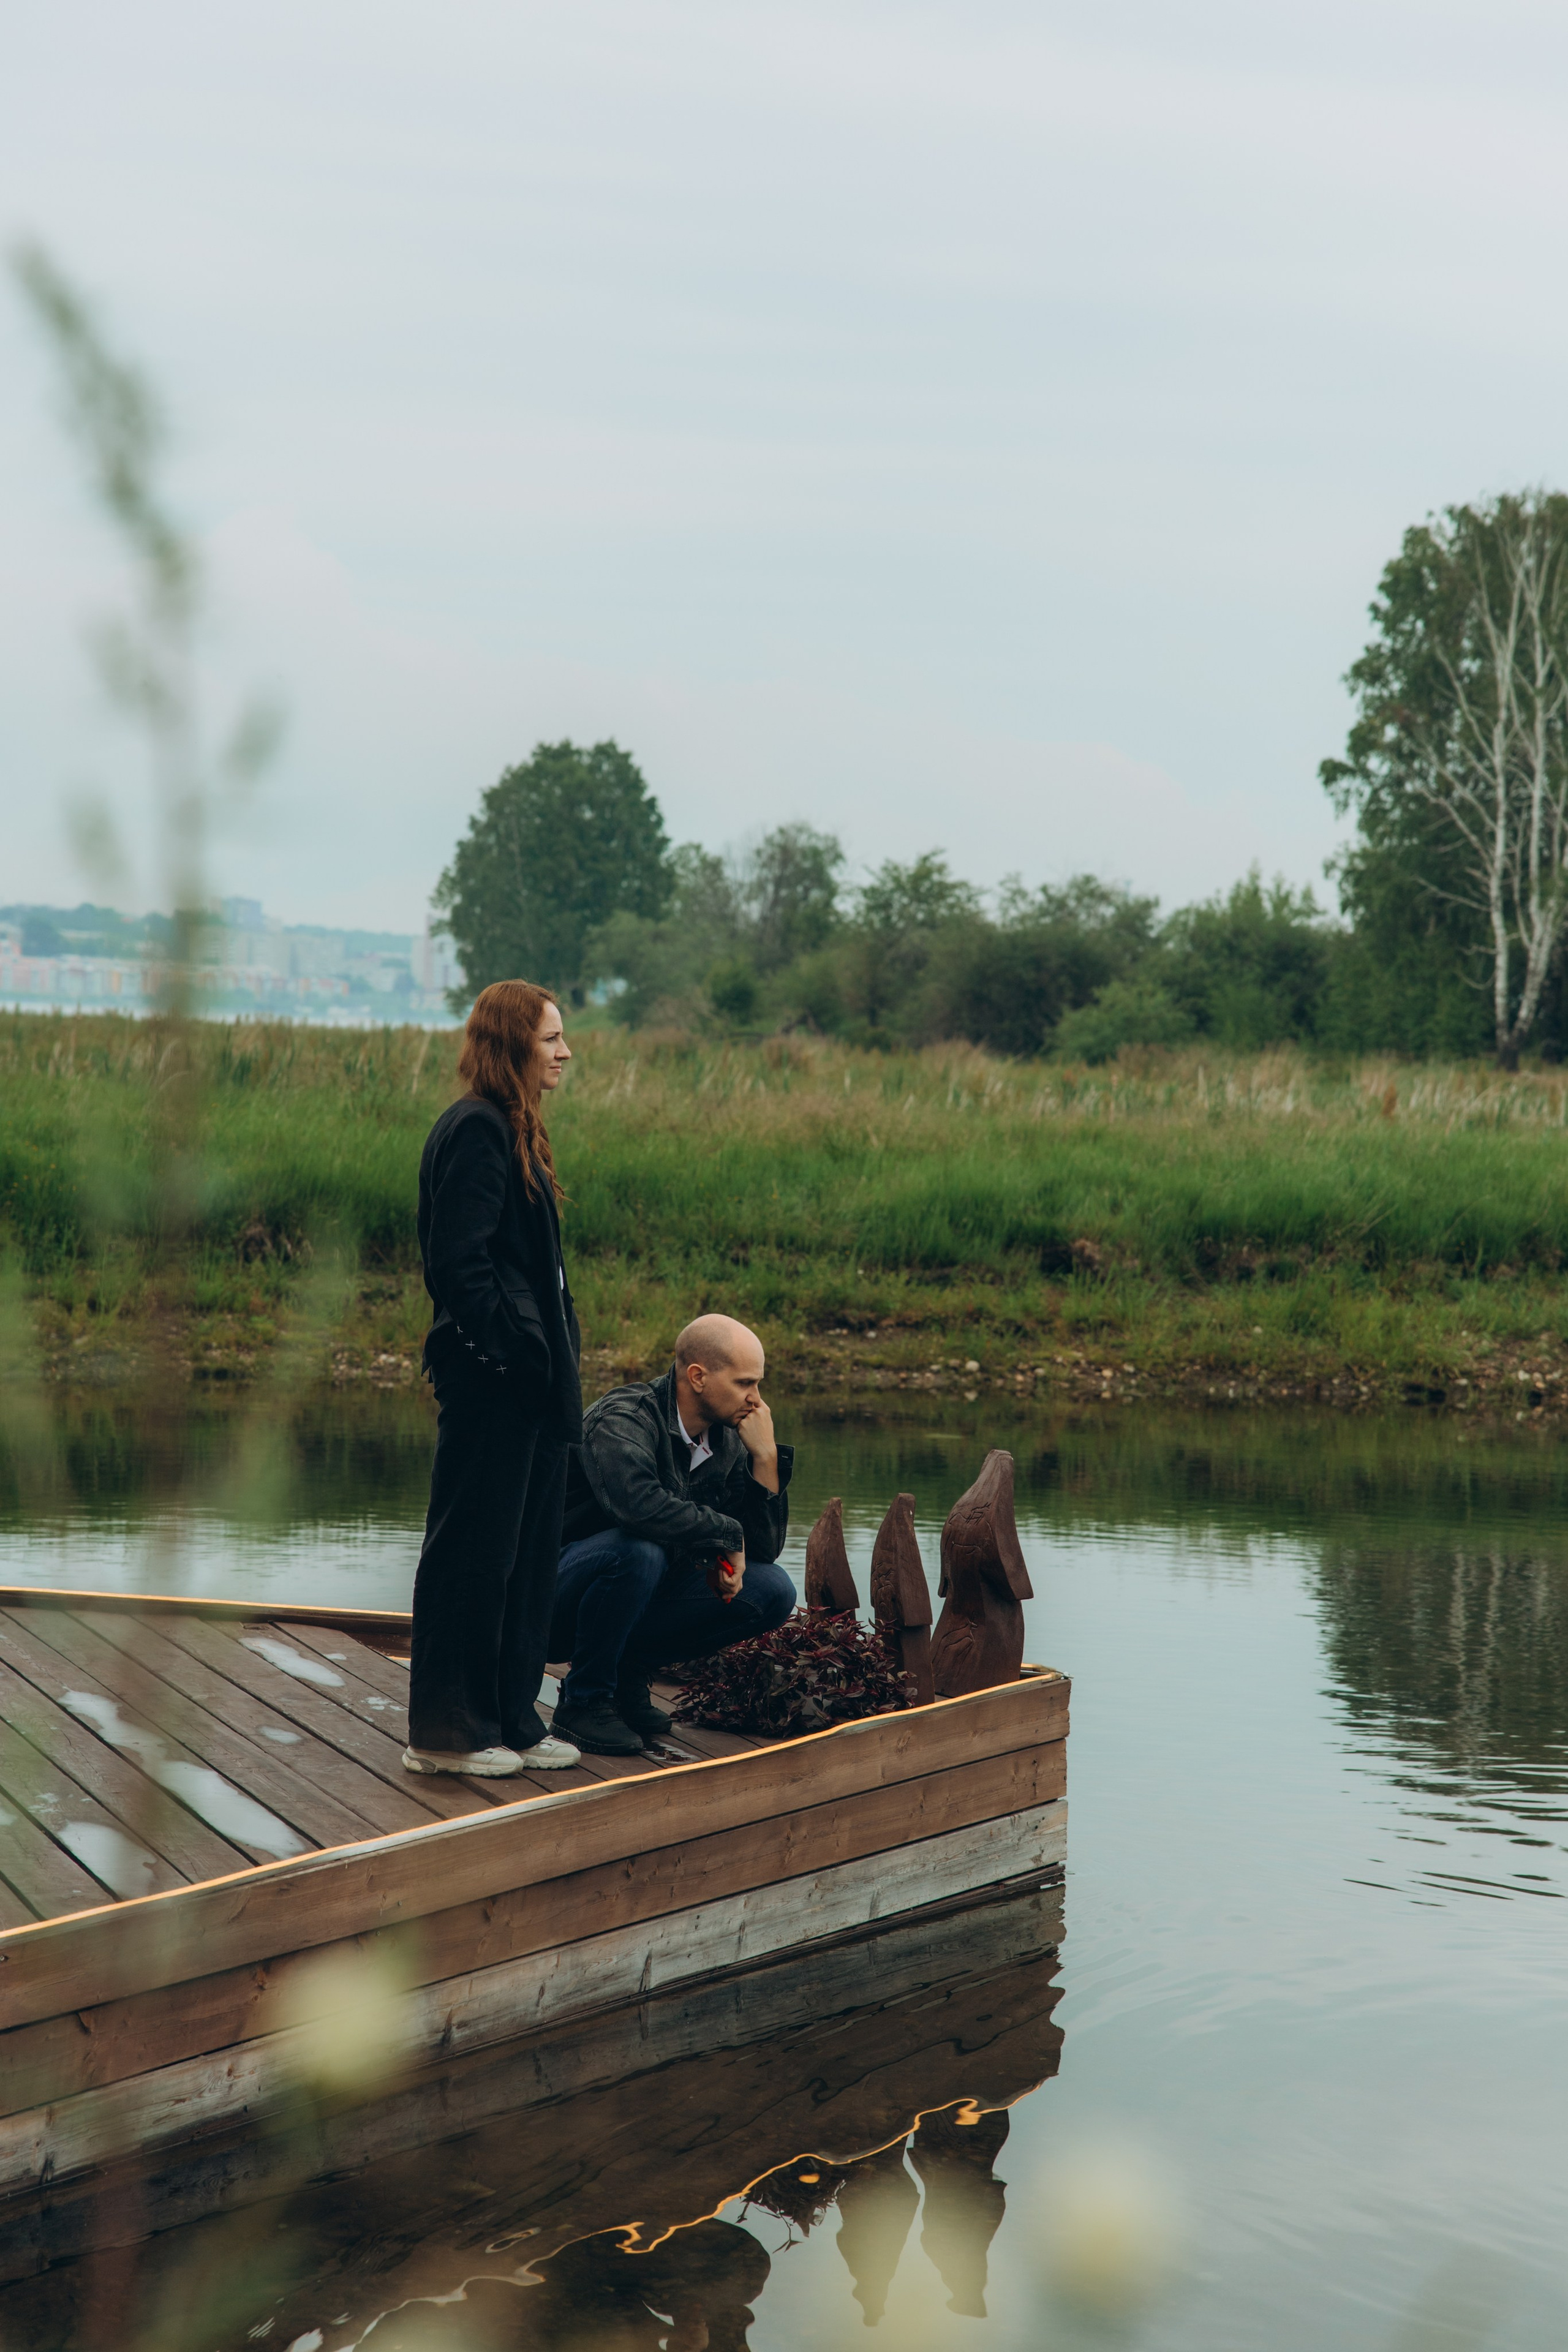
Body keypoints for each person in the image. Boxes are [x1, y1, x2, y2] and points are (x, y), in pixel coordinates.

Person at [404, 980, 584, 1776]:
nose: (565, 1052)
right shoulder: (476, 1129)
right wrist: (513, 1353)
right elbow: (456, 1264)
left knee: (526, 1555)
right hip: (494, 1386)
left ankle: (512, 1718)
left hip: (534, 1390)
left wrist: (545, 1362)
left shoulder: (514, 1129)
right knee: (471, 1555)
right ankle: (445, 1736)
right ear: (511, 1044)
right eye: (551, 1039)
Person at [549, 1314, 797, 1754]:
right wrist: (725, 1536)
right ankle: (583, 1701)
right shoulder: (623, 1418)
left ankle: (628, 1674)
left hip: (637, 1588)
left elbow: (763, 1550)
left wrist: (766, 1458)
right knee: (638, 1551)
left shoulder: (730, 1439)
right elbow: (638, 1507)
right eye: (745, 1384)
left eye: (758, 1384)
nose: (756, 1401)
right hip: (554, 1596)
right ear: (698, 1377)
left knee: (771, 1590)